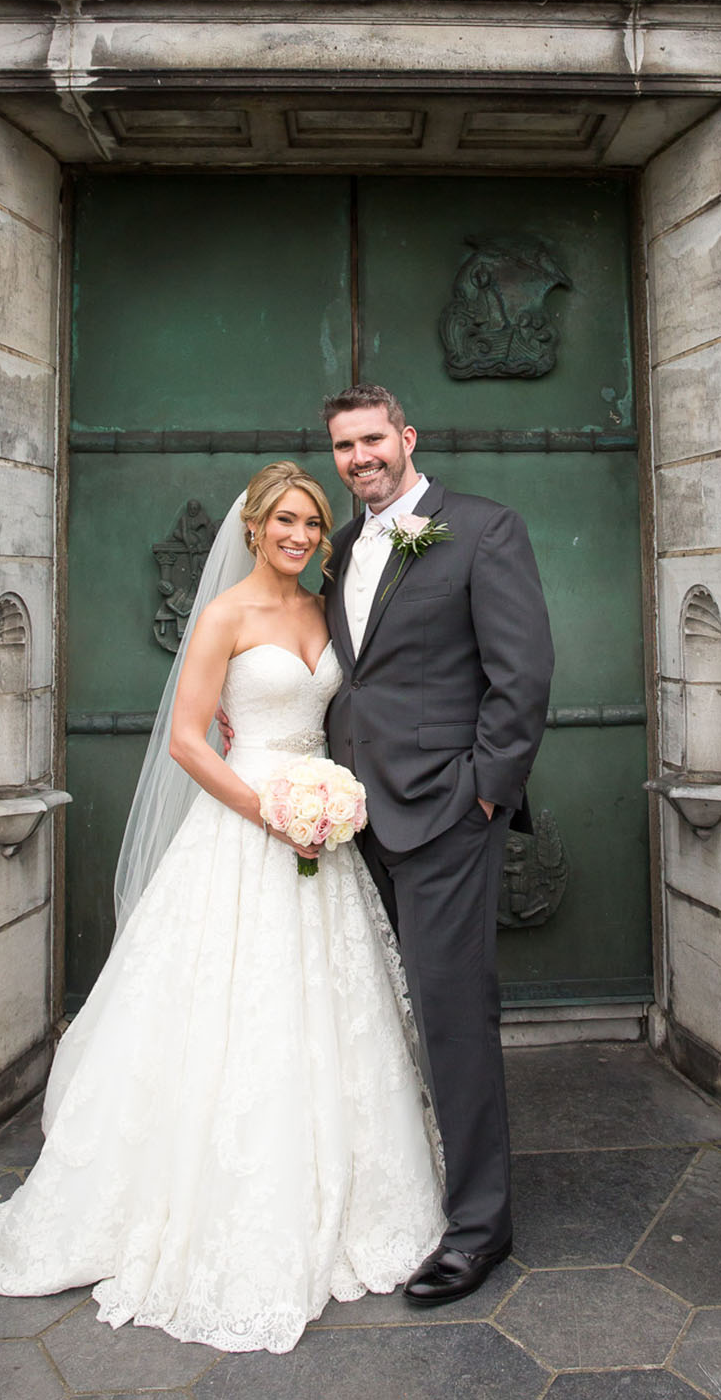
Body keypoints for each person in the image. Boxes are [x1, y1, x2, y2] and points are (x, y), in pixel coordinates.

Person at [0, 462, 443, 1354]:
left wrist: (324, 805)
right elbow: (188, 738)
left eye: (312, 523)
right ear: (254, 527)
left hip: (318, 838)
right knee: (227, 1012)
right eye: (285, 521)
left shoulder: (323, 608)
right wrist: (271, 811)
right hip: (243, 824)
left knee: (328, 1016)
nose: (300, 535)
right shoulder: (224, 615)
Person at [321, 384, 554, 1305]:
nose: (358, 457)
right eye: (342, 445)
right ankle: (396, 1190)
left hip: (445, 819)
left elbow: (522, 675)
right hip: (348, 821)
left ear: (407, 437)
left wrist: (482, 798)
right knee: (373, 1016)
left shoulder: (484, 529)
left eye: (372, 438)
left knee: (454, 1018)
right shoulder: (342, 548)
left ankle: (478, 1228)